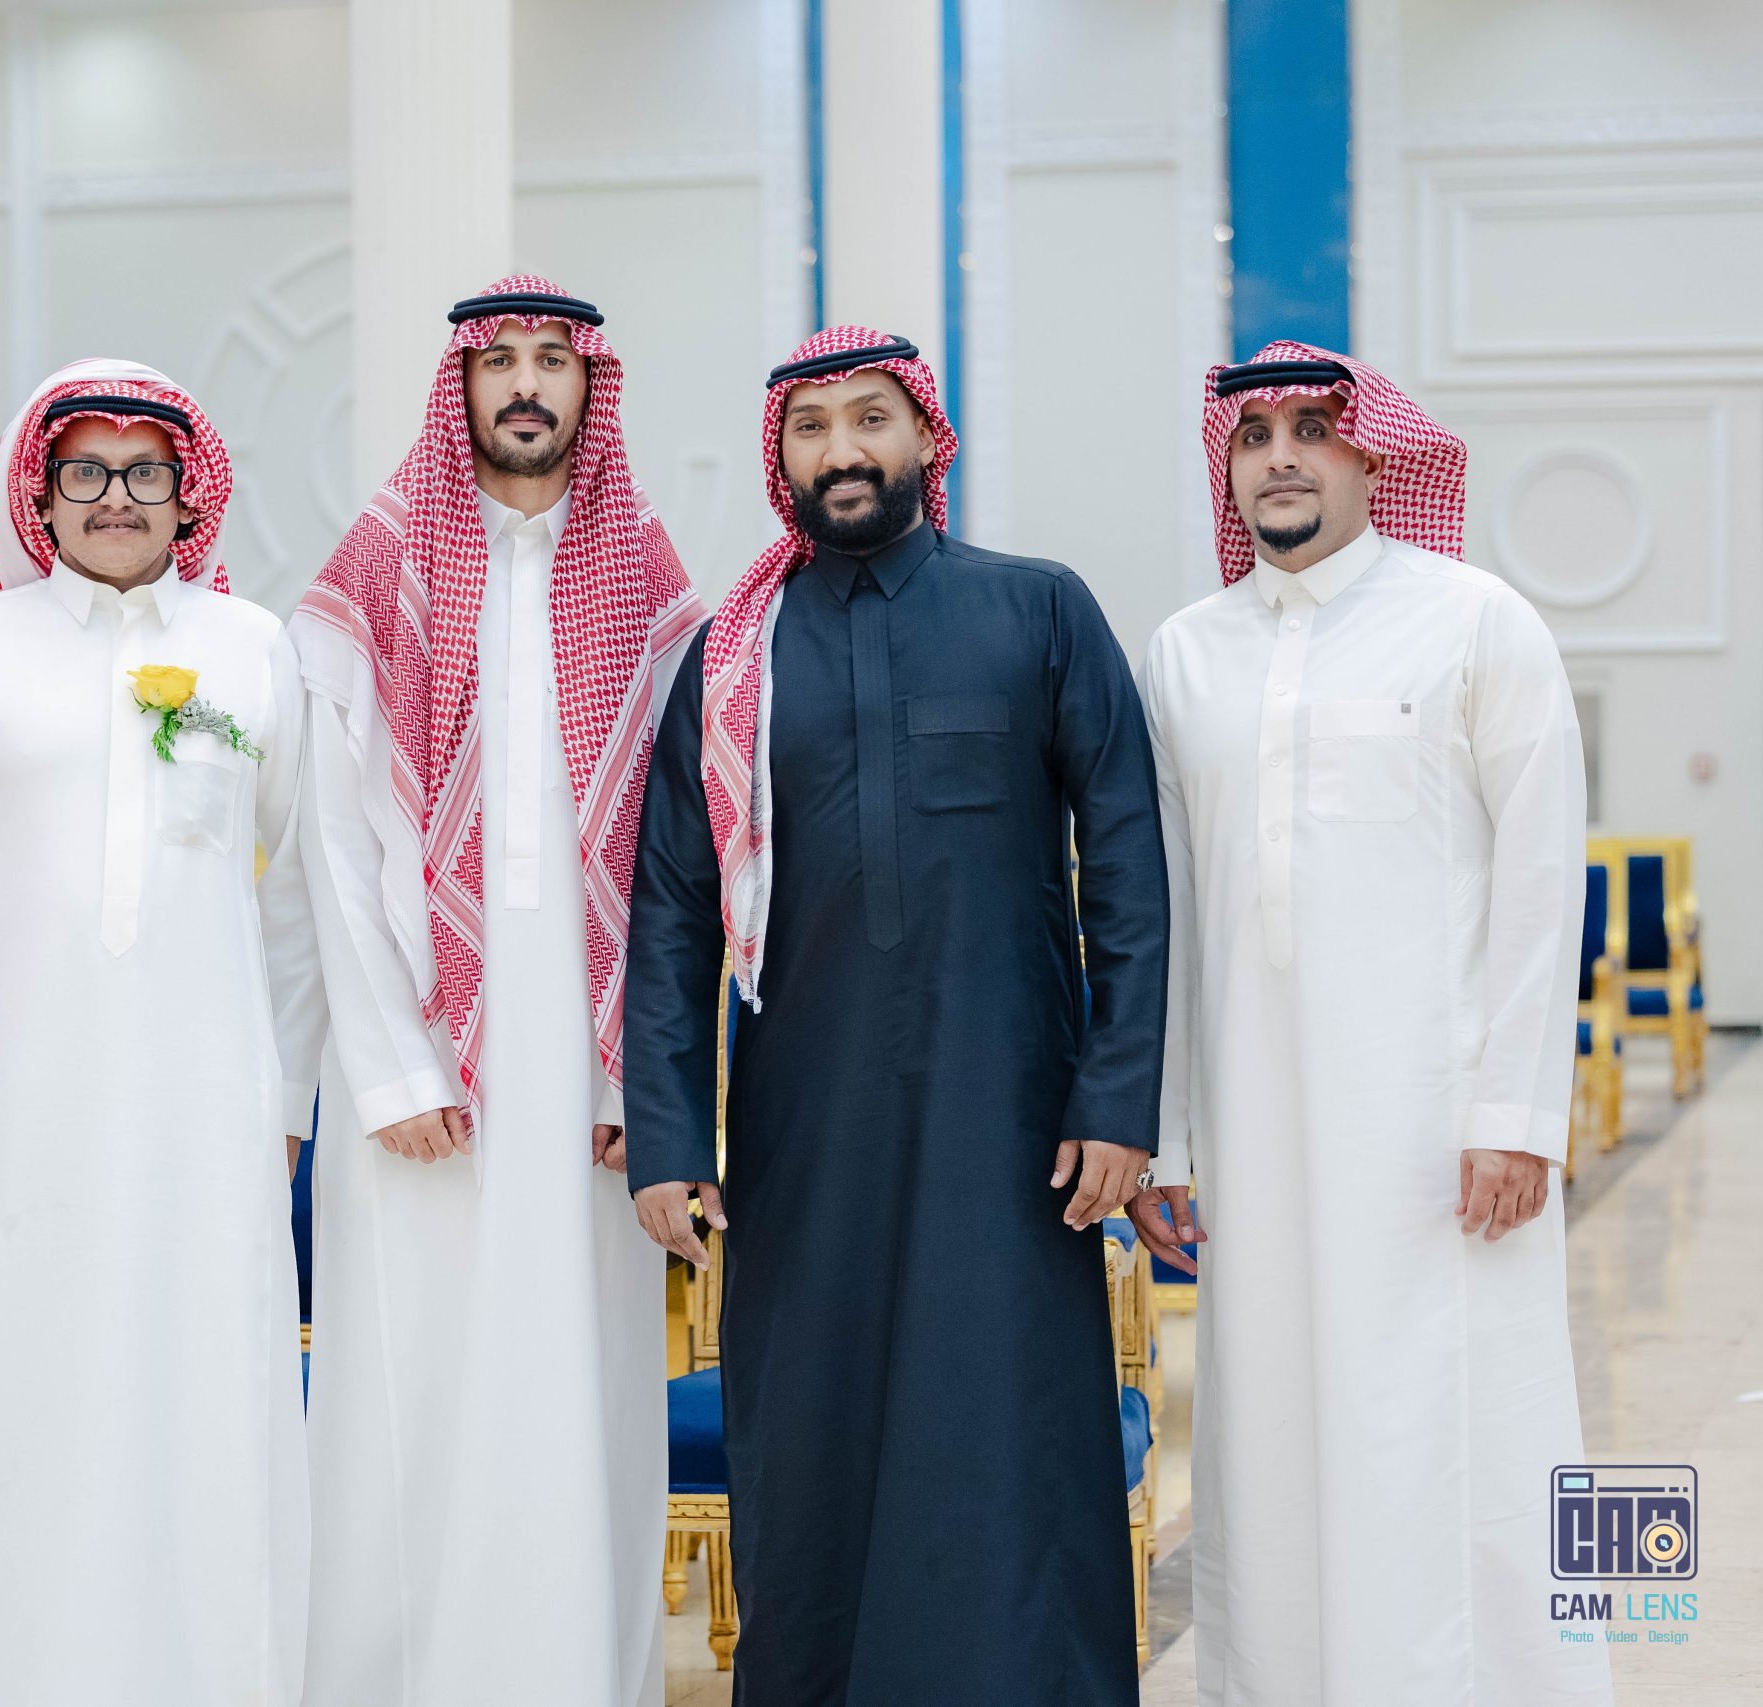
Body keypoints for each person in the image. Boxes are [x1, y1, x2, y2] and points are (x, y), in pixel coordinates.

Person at [622, 326, 1164, 1704]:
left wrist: (1117, 1100)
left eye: (870, 418)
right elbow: (674, 908)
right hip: (806, 1134)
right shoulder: (731, 658)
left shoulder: (1041, 611)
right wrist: (670, 1135)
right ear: (781, 460)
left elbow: (1128, 870)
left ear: (926, 434)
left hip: (1014, 1125)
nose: (843, 450)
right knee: (817, 1436)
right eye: (811, 428)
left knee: (1007, 1429)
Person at [1127, 342, 1613, 1707]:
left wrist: (1516, 1115)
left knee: (1461, 1438)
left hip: (1440, 1141)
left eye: (1312, 429)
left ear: (1371, 453)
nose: (1280, 457)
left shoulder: (1477, 622)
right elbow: (1168, 911)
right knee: (1277, 1442)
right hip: (1259, 1142)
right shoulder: (1185, 654)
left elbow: (1542, 882)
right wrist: (1168, 1137)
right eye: (1254, 435)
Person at [0, 360, 319, 1705]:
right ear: (41, 494)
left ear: (189, 493)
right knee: (24, 1394)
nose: (116, 496)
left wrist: (284, 1101)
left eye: (145, 471)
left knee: (203, 1393)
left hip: (208, 1107)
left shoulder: (253, 649)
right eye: (87, 471)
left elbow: (300, 899)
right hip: (17, 1106)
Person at [288, 275, 703, 1706]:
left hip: (588, 1085)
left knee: (576, 1385)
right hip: (415, 1077)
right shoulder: (374, 573)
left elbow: (678, 865)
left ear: (592, 387)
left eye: (553, 360)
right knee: (413, 1386)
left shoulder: (647, 587)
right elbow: (332, 849)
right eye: (499, 360)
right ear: (458, 384)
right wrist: (395, 1068)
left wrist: (637, 1083)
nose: (526, 383)